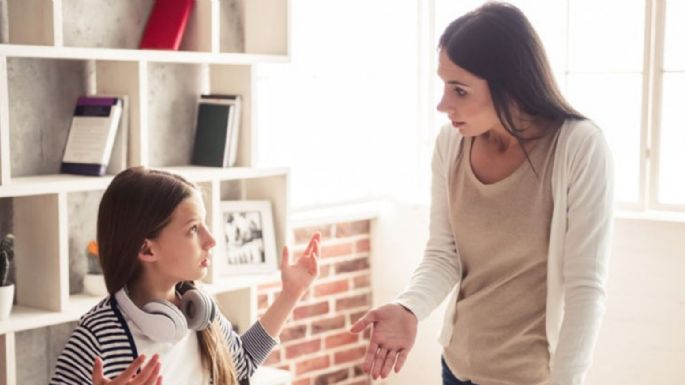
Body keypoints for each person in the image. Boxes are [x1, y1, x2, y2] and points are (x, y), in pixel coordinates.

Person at [351, 3, 614, 385]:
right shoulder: (451, 144)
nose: (443, 105)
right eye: (443, 85)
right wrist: (409, 308)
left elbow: (585, 287)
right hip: (458, 369)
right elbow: (444, 254)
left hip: (532, 378)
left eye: (459, 90)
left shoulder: (578, 147)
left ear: (510, 85)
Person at [50, 167, 321, 385]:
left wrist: (291, 293)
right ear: (147, 248)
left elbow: (241, 365)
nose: (211, 239)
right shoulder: (96, 337)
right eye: (193, 229)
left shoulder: (199, 311)